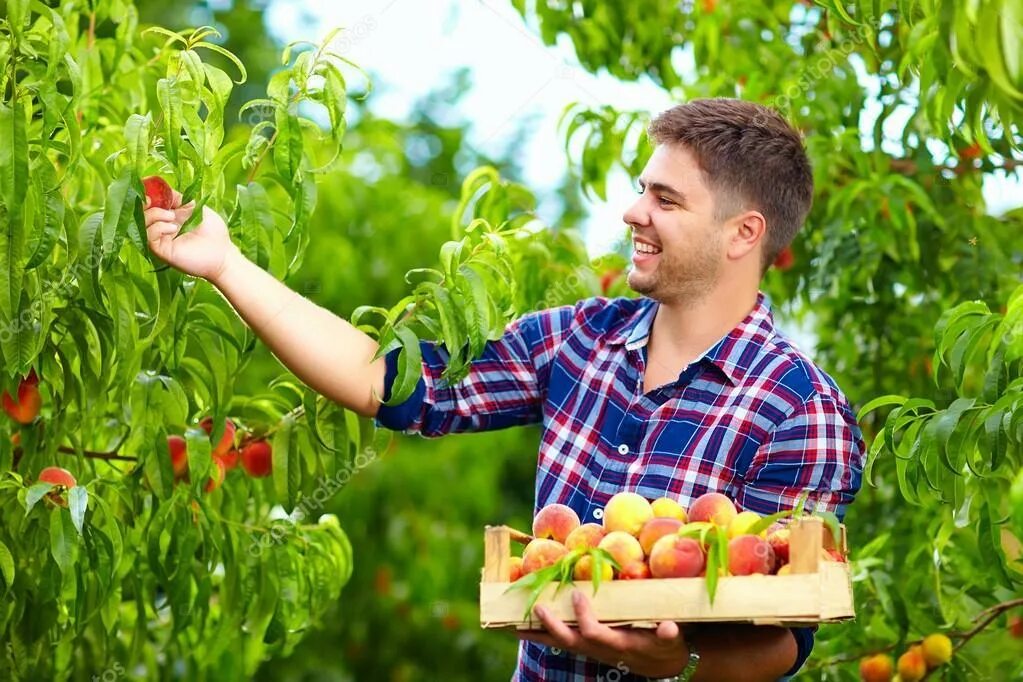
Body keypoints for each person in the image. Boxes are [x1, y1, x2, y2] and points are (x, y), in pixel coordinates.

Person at [144, 97, 864, 681]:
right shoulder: (578, 339)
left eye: (665, 200)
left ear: (742, 234)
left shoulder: (800, 409)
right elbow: (387, 381)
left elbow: (785, 635)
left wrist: (676, 662)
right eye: (642, 189)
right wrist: (225, 265)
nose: (632, 213)